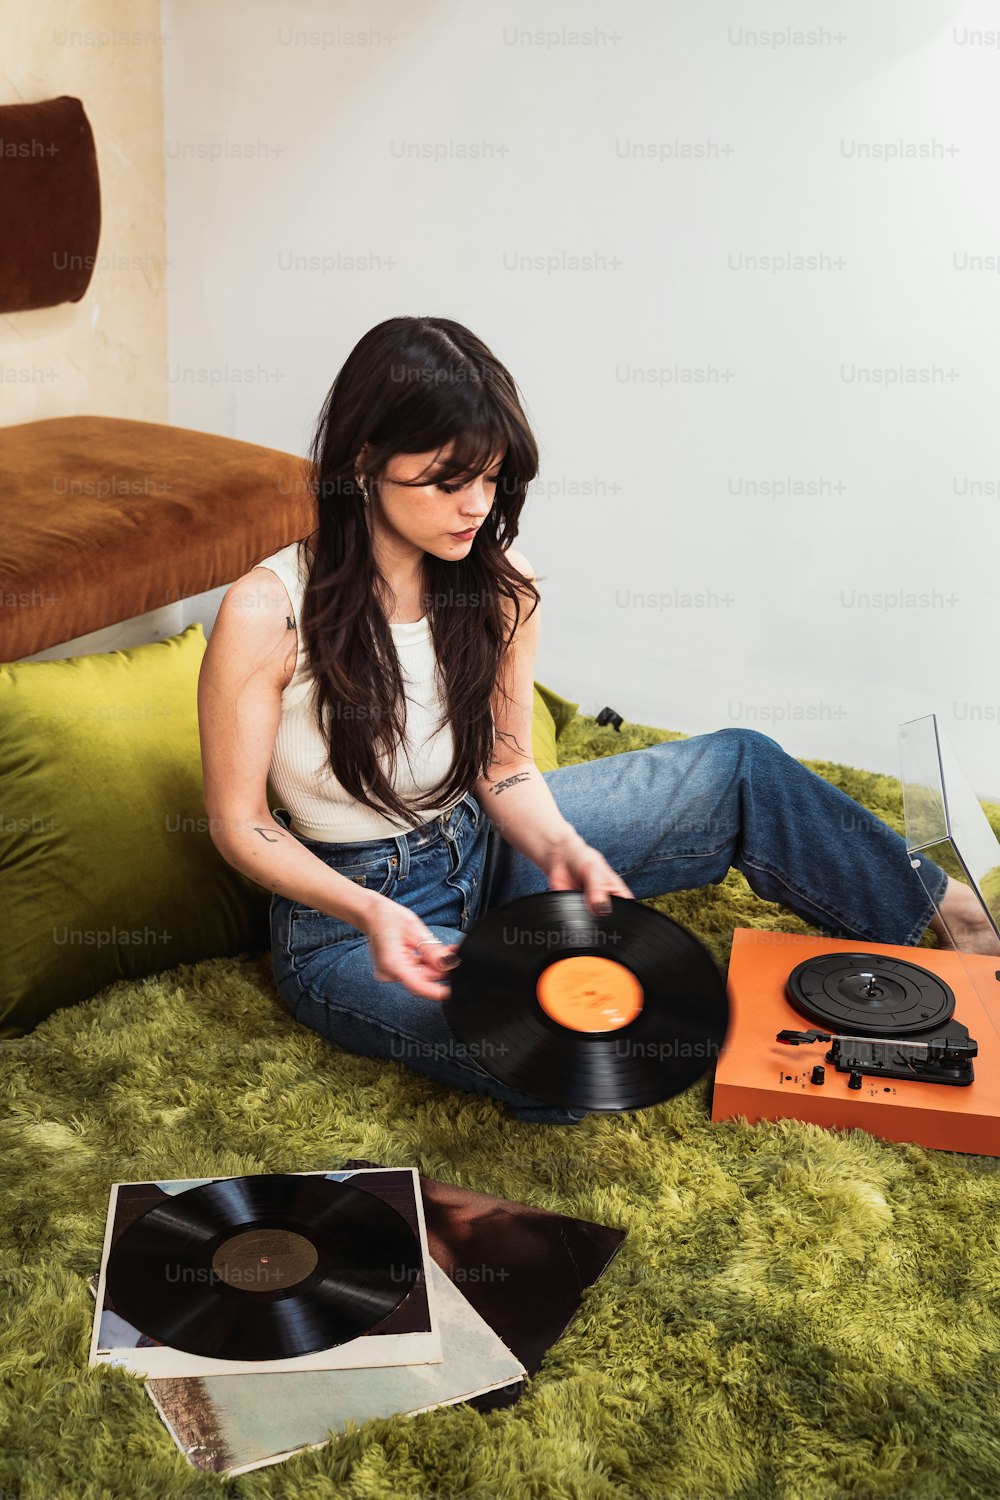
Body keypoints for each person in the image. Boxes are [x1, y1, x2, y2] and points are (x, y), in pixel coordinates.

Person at [197, 315, 997, 1126]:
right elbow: (239, 822)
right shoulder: (267, 611)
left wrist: (561, 846)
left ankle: (951, 914)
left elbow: (504, 765)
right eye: (448, 482)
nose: (478, 507)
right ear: (365, 462)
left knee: (739, 767)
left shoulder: (502, 580)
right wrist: (373, 911)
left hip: (485, 842)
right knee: (560, 1054)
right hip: (347, 918)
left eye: (495, 479)